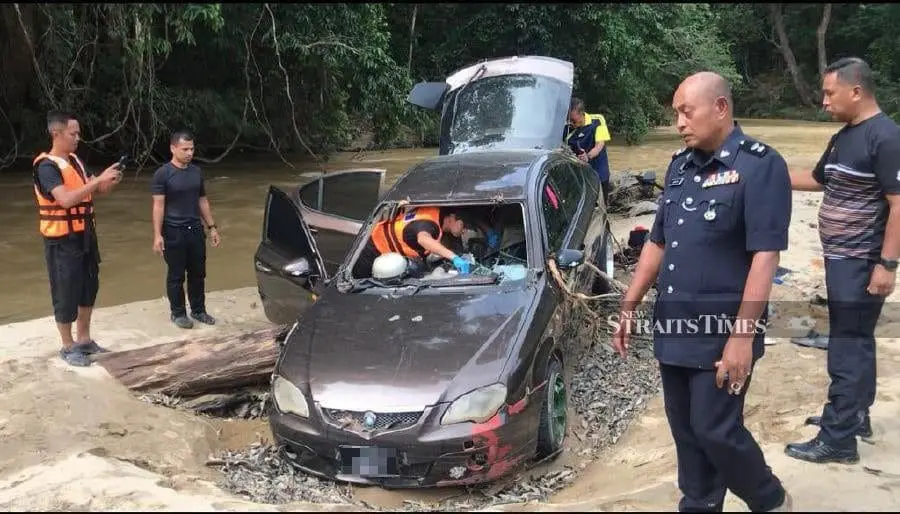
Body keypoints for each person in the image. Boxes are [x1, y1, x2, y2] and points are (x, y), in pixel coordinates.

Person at [612, 72, 792, 512]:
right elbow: (657, 242)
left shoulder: (760, 166)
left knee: (716, 430)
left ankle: (770, 499)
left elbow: (765, 256)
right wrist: (630, 302)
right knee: (687, 433)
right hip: (674, 325)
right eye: (676, 113)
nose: (679, 122)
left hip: (721, 329)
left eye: (686, 112)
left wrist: (742, 338)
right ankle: (699, 504)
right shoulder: (680, 166)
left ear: (720, 108)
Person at [784, 57, 900, 464]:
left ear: (856, 91)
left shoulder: (886, 137)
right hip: (841, 260)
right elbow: (817, 180)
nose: (823, 101)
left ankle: (837, 439)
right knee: (857, 339)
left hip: (862, 261)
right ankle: (855, 417)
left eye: (829, 93)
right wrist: (764, 171)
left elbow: (899, 205)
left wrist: (887, 265)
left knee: (846, 347)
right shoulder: (843, 137)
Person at [34, 111, 124, 366]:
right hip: (62, 239)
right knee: (65, 289)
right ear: (56, 133)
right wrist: (97, 182)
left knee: (88, 286)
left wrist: (110, 179)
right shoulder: (47, 167)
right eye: (73, 134)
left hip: (85, 234)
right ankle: (67, 345)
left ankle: (84, 339)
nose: (78, 138)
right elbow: (65, 200)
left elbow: (98, 189)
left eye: (78, 134)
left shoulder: (75, 161)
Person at [151, 130, 221, 329]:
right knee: (176, 275)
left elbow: (202, 201)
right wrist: (157, 235)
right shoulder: (163, 174)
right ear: (173, 148)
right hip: (173, 231)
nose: (189, 153)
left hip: (195, 230)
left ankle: (198, 310)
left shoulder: (196, 172)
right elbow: (158, 206)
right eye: (185, 149)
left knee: (198, 273)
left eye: (192, 149)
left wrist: (212, 227)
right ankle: (178, 313)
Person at [352, 206, 471, 278]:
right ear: (452, 218)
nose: (464, 231)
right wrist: (454, 257)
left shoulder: (435, 212)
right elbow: (423, 239)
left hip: (384, 247)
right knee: (361, 284)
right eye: (463, 226)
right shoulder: (430, 225)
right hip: (373, 248)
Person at [564, 97, 612, 204]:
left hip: (599, 170)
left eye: (573, 120)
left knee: (601, 203)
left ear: (581, 113)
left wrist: (588, 156)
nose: (571, 123)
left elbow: (600, 144)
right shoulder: (566, 128)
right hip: (578, 174)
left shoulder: (597, 120)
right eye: (569, 119)